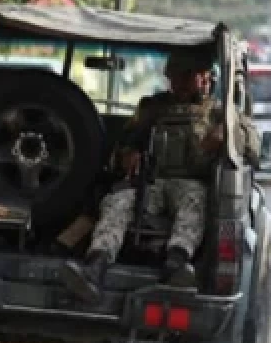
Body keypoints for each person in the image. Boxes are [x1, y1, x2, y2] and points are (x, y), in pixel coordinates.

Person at [60, 49, 259, 303]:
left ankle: (176, 263)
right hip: (152, 184)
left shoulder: (222, 114)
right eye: (174, 77)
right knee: (118, 202)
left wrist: (229, 135)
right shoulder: (153, 109)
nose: (179, 84)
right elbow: (121, 147)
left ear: (207, 78)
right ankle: (95, 267)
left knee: (195, 200)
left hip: (192, 185)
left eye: (187, 76)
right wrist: (128, 154)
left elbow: (253, 149)